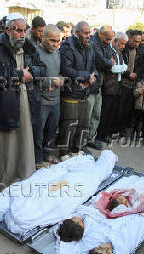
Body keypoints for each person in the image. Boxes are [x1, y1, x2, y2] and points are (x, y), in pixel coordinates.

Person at [0, 13, 46, 188]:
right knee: (4, 147)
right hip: (3, 106)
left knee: (24, 142)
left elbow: (42, 68)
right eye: (18, 30)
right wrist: (20, 74)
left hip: (26, 102)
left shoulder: (30, 47)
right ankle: (3, 183)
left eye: (24, 31)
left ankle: (24, 177)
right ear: (8, 30)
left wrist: (33, 73)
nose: (22, 34)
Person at [0, 150, 117, 235]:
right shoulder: (93, 173)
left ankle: (108, 156)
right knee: (44, 189)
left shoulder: (95, 174)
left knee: (45, 190)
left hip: (74, 185)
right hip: (72, 185)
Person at [58, 21, 98, 156]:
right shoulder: (67, 46)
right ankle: (64, 153)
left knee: (83, 125)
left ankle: (77, 150)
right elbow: (66, 69)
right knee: (69, 125)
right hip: (71, 92)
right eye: (85, 33)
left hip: (85, 92)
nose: (88, 35)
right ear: (77, 33)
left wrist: (92, 78)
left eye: (89, 32)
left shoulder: (90, 45)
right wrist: (86, 76)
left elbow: (94, 66)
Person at [36, 24, 63, 167]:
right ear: (42, 37)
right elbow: (32, 78)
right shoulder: (35, 53)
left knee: (52, 131)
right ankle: (37, 160)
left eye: (58, 41)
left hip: (55, 99)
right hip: (41, 101)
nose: (55, 44)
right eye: (52, 40)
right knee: (38, 133)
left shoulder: (57, 52)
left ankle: (47, 155)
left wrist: (61, 80)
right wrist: (50, 81)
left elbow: (60, 74)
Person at [87, 25, 115, 150]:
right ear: (100, 34)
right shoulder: (93, 43)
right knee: (88, 114)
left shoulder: (106, 44)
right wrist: (109, 62)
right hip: (91, 83)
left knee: (96, 113)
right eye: (107, 39)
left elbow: (110, 55)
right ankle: (83, 141)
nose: (109, 42)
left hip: (100, 84)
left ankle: (91, 138)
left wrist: (108, 61)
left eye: (111, 39)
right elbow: (101, 62)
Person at [97, 31, 128, 143]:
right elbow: (112, 69)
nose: (123, 46)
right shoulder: (110, 51)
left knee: (112, 112)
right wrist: (121, 68)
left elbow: (124, 67)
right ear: (115, 41)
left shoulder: (118, 52)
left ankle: (106, 133)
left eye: (125, 44)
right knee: (105, 112)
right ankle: (100, 135)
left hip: (117, 86)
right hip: (109, 87)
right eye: (122, 43)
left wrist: (121, 68)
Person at [118, 29, 143, 137]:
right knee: (119, 109)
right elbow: (118, 65)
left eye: (139, 42)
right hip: (122, 84)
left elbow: (140, 67)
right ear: (129, 38)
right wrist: (128, 74)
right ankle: (115, 129)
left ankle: (122, 130)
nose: (137, 44)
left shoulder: (139, 51)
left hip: (132, 85)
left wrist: (136, 74)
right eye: (135, 41)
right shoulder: (123, 49)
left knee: (127, 110)